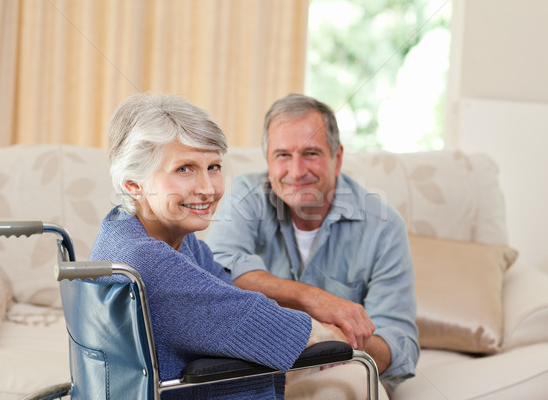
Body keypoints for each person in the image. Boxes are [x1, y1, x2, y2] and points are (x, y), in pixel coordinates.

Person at [89, 92, 349, 400]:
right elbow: (259, 322)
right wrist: (329, 333)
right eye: (184, 169)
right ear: (134, 184)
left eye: (213, 166)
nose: (208, 189)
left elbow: (234, 299)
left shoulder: (158, 237)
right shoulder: (145, 260)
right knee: (352, 375)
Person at [206, 93, 420, 395]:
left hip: (342, 370)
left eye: (311, 153)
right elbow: (214, 276)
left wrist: (332, 340)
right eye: (282, 155)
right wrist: (313, 299)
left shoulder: (384, 226)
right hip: (260, 366)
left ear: (338, 158)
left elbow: (398, 345)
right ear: (268, 160)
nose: (296, 171)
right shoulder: (246, 196)